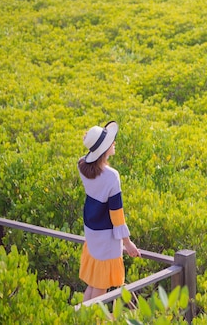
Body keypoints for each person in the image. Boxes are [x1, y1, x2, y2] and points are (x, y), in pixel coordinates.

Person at [78, 121, 141, 302]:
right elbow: (117, 215)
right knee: (100, 286)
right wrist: (128, 244)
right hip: (106, 236)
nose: (114, 143)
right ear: (104, 149)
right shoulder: (112, 176)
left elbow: (88, 159)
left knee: (93, 283)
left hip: (91, 231)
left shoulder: (81, 165)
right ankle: (92, 321)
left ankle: (83, 319)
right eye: (111, 141)